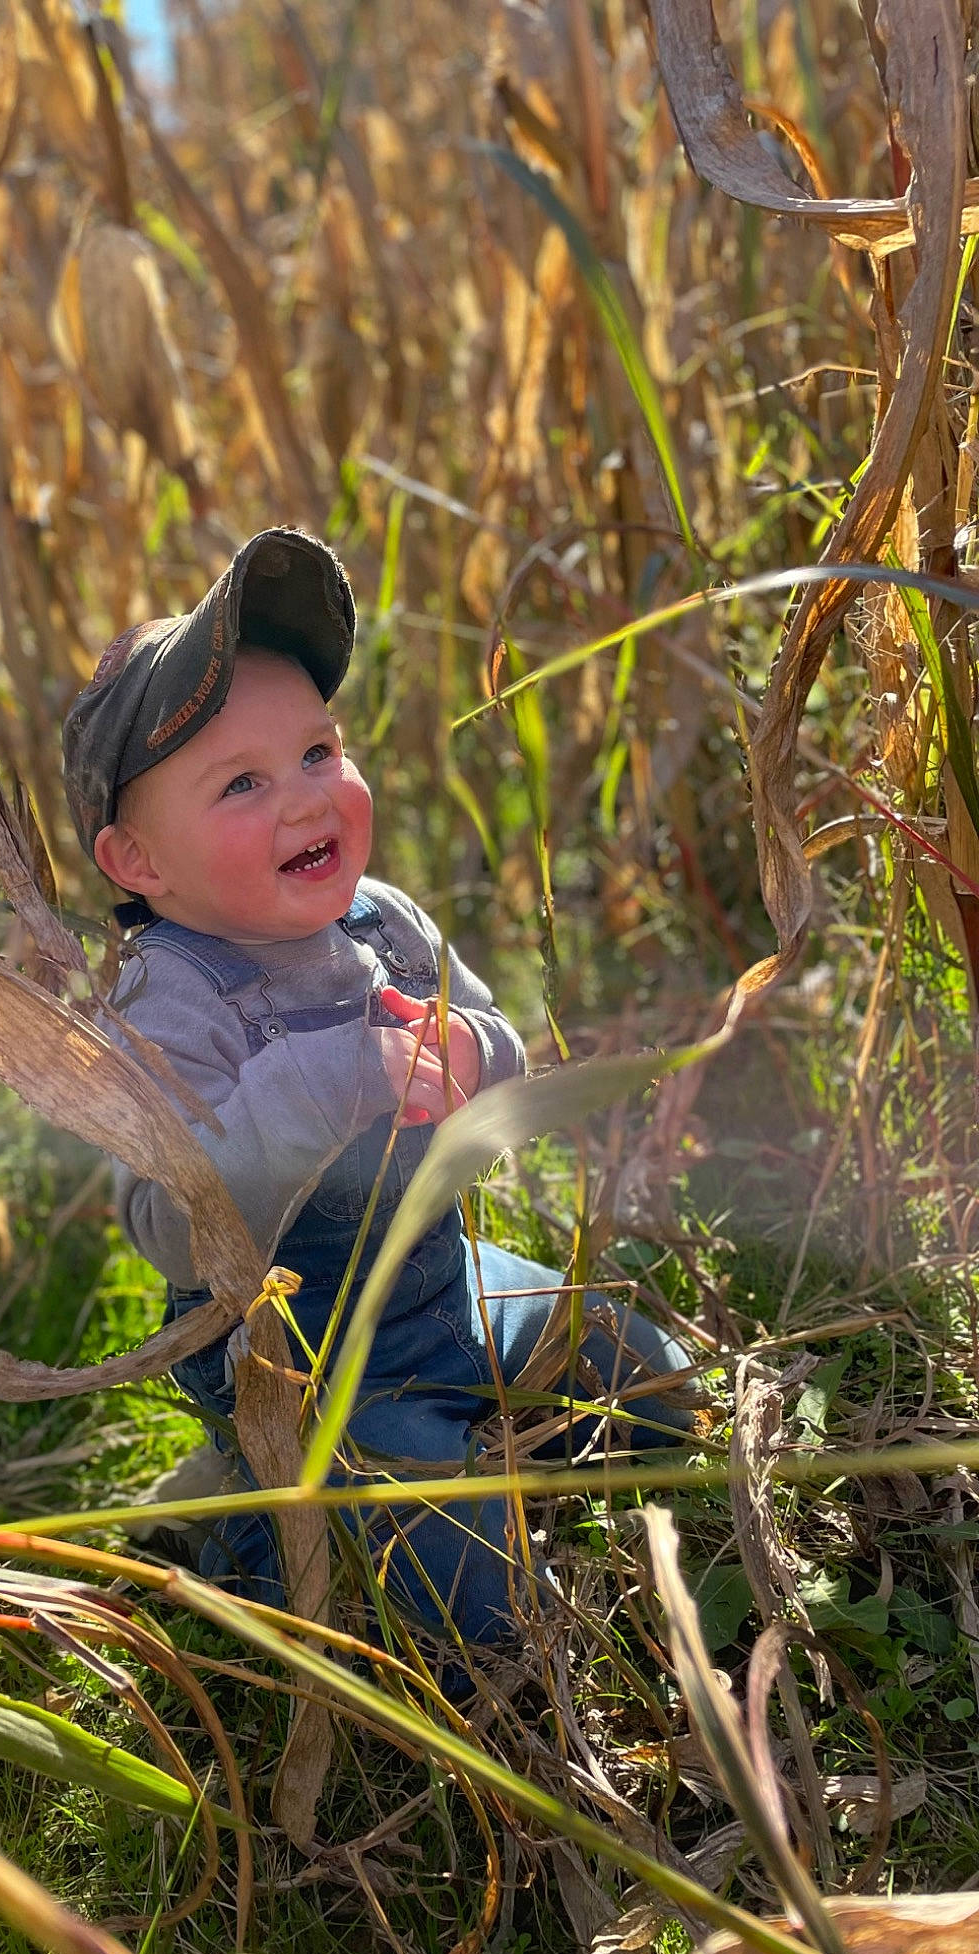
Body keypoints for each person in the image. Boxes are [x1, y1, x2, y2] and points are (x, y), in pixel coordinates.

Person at [62, 527, 692, 1647]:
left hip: (439, 1279)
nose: (307, 798)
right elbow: (164, 1224)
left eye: (318, 750)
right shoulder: (163, 1004)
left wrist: (474, 1058)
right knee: (479, 1625)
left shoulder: (384, 920)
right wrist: (323, 1082)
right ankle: (239, 1514)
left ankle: (464, 1423)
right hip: (298, 1355)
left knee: (663, 1392)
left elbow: (499, 1045)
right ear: (138, 864)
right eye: (243, 781)